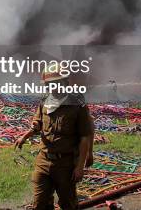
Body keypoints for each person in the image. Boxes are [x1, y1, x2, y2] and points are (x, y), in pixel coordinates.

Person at [14, 68, 94, 210]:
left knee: (67, 204)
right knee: (40, 203)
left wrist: (80, 166)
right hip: (43, 160)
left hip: (66, 163)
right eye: (47, 84)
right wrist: (24, 136)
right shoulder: (45, 100)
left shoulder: (77, 105)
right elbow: (37, 123)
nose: (50, 87)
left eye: (53, 84)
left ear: (64, 82)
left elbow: (85, 137)